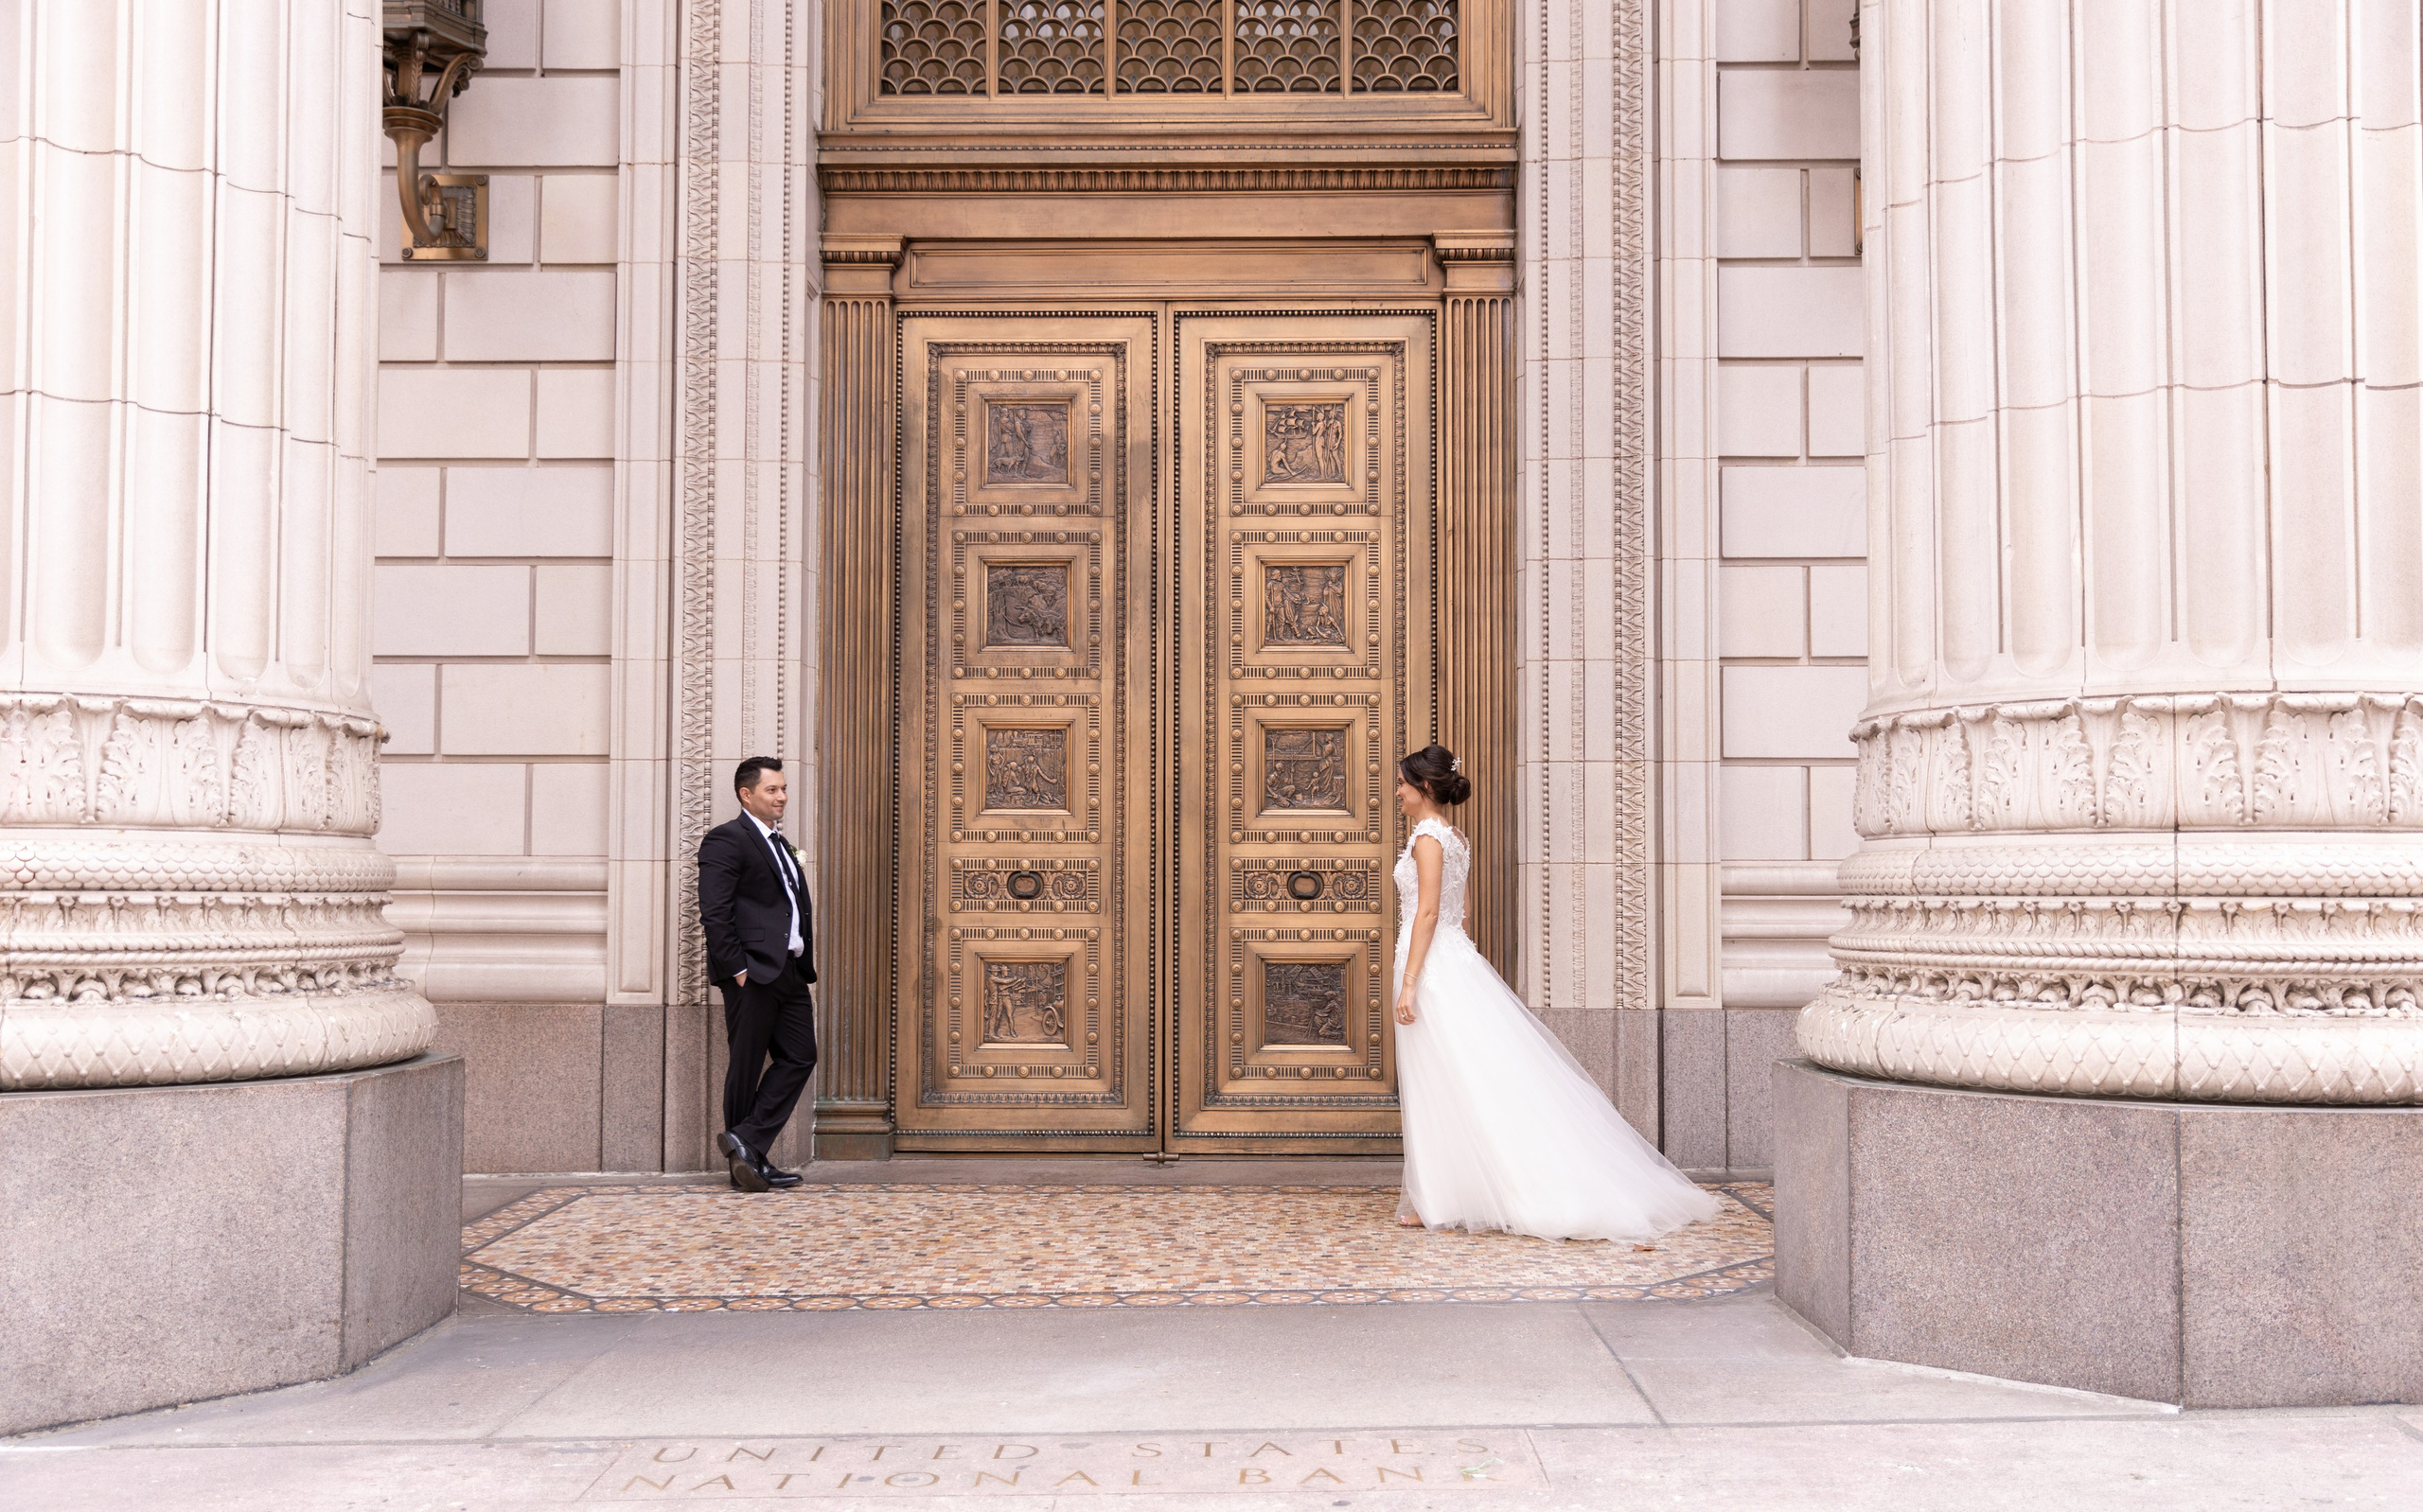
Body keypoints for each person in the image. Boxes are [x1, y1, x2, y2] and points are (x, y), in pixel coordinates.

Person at [1389, 744, 1721, 1240]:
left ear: (1424, 786)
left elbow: (1431, 912)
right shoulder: (1454, 837)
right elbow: (1463, 912)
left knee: (1443, 1079)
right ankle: (1443, 1195)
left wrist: (1412, 981)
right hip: (1452, 962)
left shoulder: (1427, 839)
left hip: (1433, 968)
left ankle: (1445, 1198)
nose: (1396, 792)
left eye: (1402, 783)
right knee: (1458, 1078)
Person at [698, 756, 819, 1192]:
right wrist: (737, 969)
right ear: (746, 795)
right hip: (751, 972)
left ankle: (745, 1142)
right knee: (746, 1065)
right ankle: (746, 1164)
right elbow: (715, 911)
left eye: (783, 788)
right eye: (772, 789)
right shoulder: (726, 839)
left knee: (801, 1055)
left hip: (790, 970)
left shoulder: (781, 844)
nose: (782, 796)